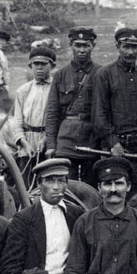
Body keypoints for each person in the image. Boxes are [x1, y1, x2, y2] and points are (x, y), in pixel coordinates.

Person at [92, 28, 137, 195]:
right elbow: (99, 115)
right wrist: (114, 143)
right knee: (115, 195)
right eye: (126, 46)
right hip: (116, 149)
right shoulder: (104, 75)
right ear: (117, 46)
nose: (130, 52)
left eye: (135, 47)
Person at [44, 27, 102, 184]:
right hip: (66, 141)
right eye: (78, 45)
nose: (82, 50)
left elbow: (106, 111)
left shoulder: (102, 73)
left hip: (92, 140)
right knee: (67, 188)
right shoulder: (60, 75)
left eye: (86, 45)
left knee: (91, 189)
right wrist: (51, 145)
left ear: (93, 46)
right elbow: (52, 113)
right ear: (71, 45)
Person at [10, 46, 55, 161]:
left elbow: (58, 118)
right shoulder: (23, 90)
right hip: (27, 143)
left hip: (50, 142)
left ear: (52, 66)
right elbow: (17, 121)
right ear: (31, 66)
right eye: (36, 64)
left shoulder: (56, 89)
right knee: (24, 177)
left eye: (43, 64)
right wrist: (25, 144)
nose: (39, 68)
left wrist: (46, 140)